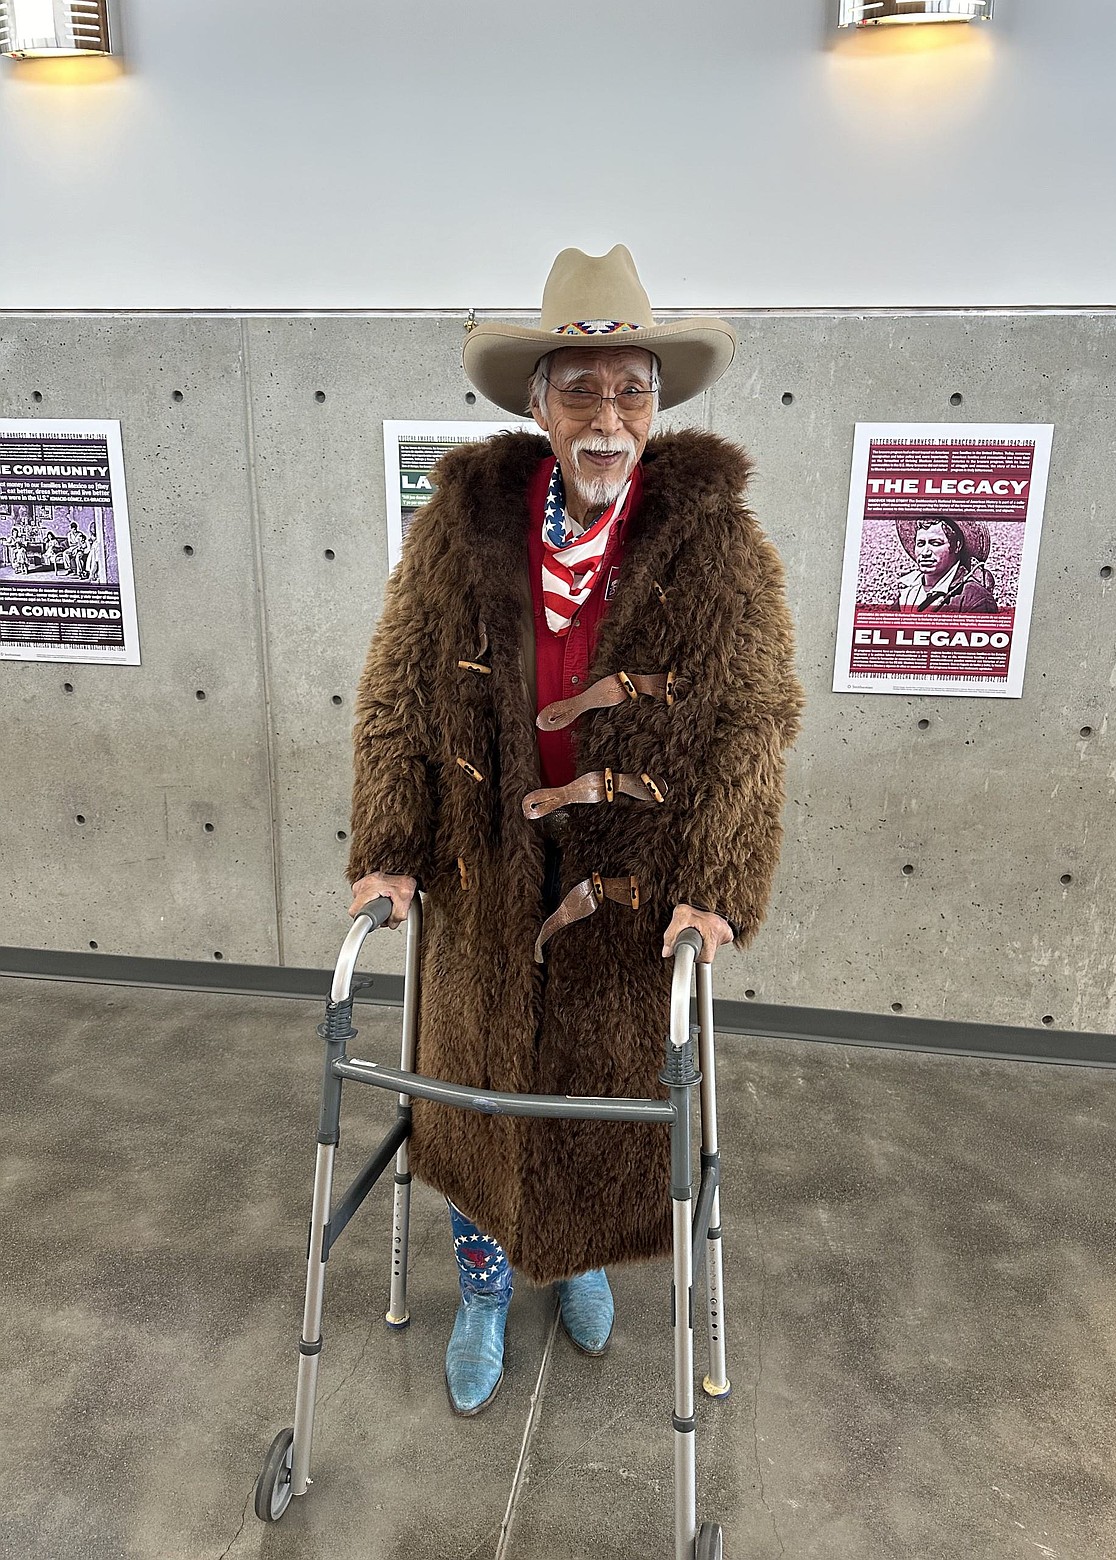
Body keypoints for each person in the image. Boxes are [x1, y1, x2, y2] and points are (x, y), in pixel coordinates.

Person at [346, 245, 802, 1416]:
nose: (609, 418)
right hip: (483, 858)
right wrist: (391, 845)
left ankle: (583, 1251)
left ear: (658, 402)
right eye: (582, 390)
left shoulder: (713, 541)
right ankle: (489, 1285)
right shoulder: (462, 529)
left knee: (602, 1091)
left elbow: (754, 718)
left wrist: (719, 881)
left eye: (632, 389)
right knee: (478, 1091)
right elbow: (396, 687)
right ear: (538, 402)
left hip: (629, 877)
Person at [895, 515, 998, 612]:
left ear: (957, 546)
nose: (925, 552)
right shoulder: (907, 593)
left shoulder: (975, 599)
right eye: (920, 544)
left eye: (935, 543)